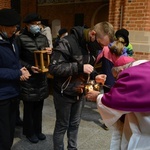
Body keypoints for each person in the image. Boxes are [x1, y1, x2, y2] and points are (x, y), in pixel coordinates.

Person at [49, 21, 115, 150]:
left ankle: (72, 148)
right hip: (64, 92)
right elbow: (54, 68)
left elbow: (88, 66)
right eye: (100, 44)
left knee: (75, 124)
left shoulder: (92, 46)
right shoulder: (67, 42)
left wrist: (95, 74)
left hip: (80, 91)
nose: (101, 48)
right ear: (92, 34)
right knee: (62, 125)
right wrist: (79, 67)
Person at [86, 56, 150, 150]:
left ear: (121, 71)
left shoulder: (131, 75)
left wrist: (98, 96)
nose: (117, 81)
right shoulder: (145, 65)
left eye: (117, 77)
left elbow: (114, 101)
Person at [16, 13, 52, 143]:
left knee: (39, 105)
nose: (37, 26)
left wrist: (49, 53)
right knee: (29, 106)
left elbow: (46, 56)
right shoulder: (20, 38)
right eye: (34, 24)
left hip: (41, 77)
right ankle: (29, 132)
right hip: (29, 77)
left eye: (38, 24)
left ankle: (38, 130)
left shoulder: (43, 38)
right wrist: (29, 66)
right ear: (27, 25)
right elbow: (17, 59)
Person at [0, 8, 30, 150]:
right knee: (4, 135)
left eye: (15, 26)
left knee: (10, 131)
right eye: (12, 26)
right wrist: (17, 73)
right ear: (2, 26)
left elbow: (15, 61)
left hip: (13, 92)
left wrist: (22, 69)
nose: (15, 29)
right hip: (2, 95)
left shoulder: (12, 41)